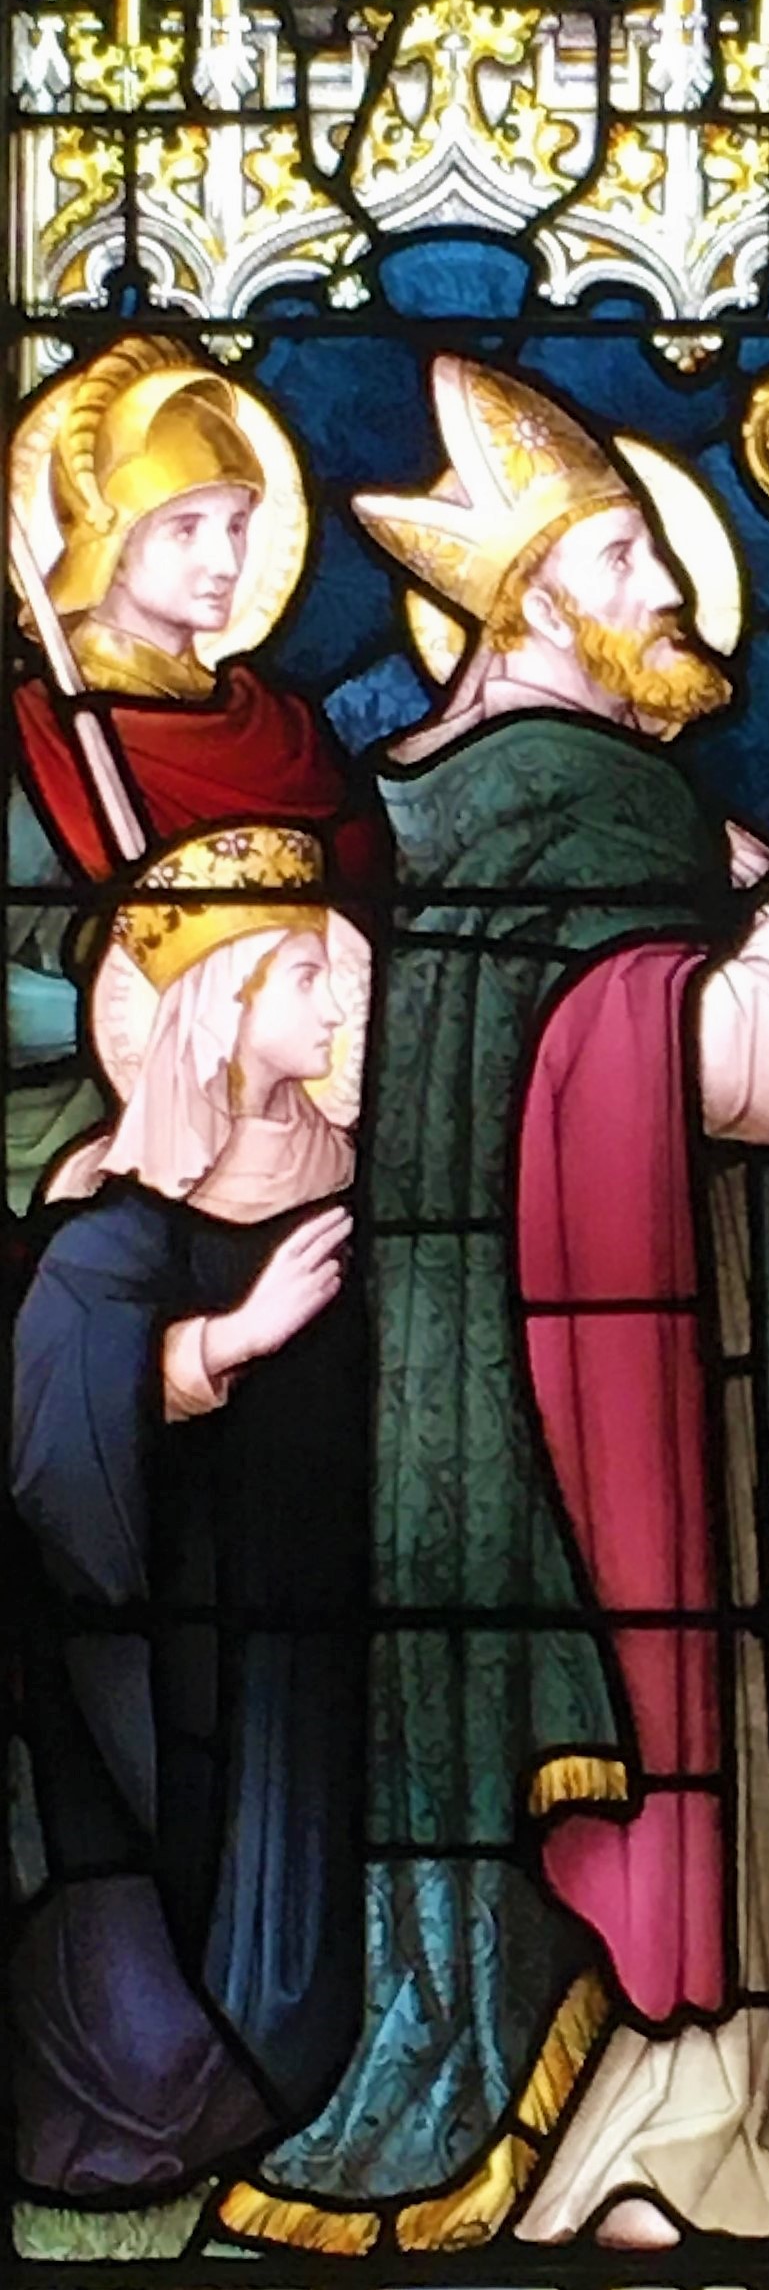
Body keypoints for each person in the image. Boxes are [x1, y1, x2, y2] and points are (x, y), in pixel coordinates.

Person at [227, 357, 769, 2253]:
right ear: (525, 604)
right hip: (621, 1393)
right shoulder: (595, 804)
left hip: (476, 1374)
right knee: (652, 1694)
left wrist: (749, 886)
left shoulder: (446, 811)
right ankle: (657, 2134)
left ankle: (599, 2122)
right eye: (621, 556)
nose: (668, 583)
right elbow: (735, 1073)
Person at [10, 825, 366, 2201]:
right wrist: (224, 1344)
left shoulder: (371, 1186)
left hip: (327, 1623)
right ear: (220, 1004)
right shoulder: (116, 1222)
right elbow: (47, 1438)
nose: (337, 1002)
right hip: (176, 1636)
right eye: (302, 973)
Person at [6, 338, 384, 1206]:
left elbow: (375, 936)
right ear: (109, 537)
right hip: (86, 1146)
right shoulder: (36, 736)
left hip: (303, 1141)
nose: (225, 561)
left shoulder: (283, 729)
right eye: (187, 527)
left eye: (238, 525)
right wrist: (114, 992)